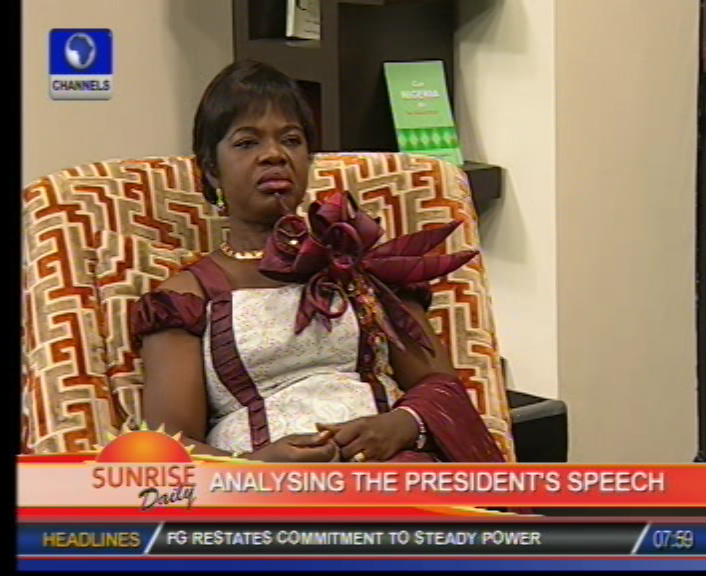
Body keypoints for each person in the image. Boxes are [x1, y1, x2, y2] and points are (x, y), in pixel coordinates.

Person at [130, 60, 507, 465]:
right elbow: (168, 449)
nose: (274, 155)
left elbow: (441, 388)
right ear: (211, 170)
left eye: (291, 140)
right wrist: (257, 465)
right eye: (247, 143)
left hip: (393, 473)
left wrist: (400, 425)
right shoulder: (186, 297)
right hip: (260, 492)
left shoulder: (360, 263)